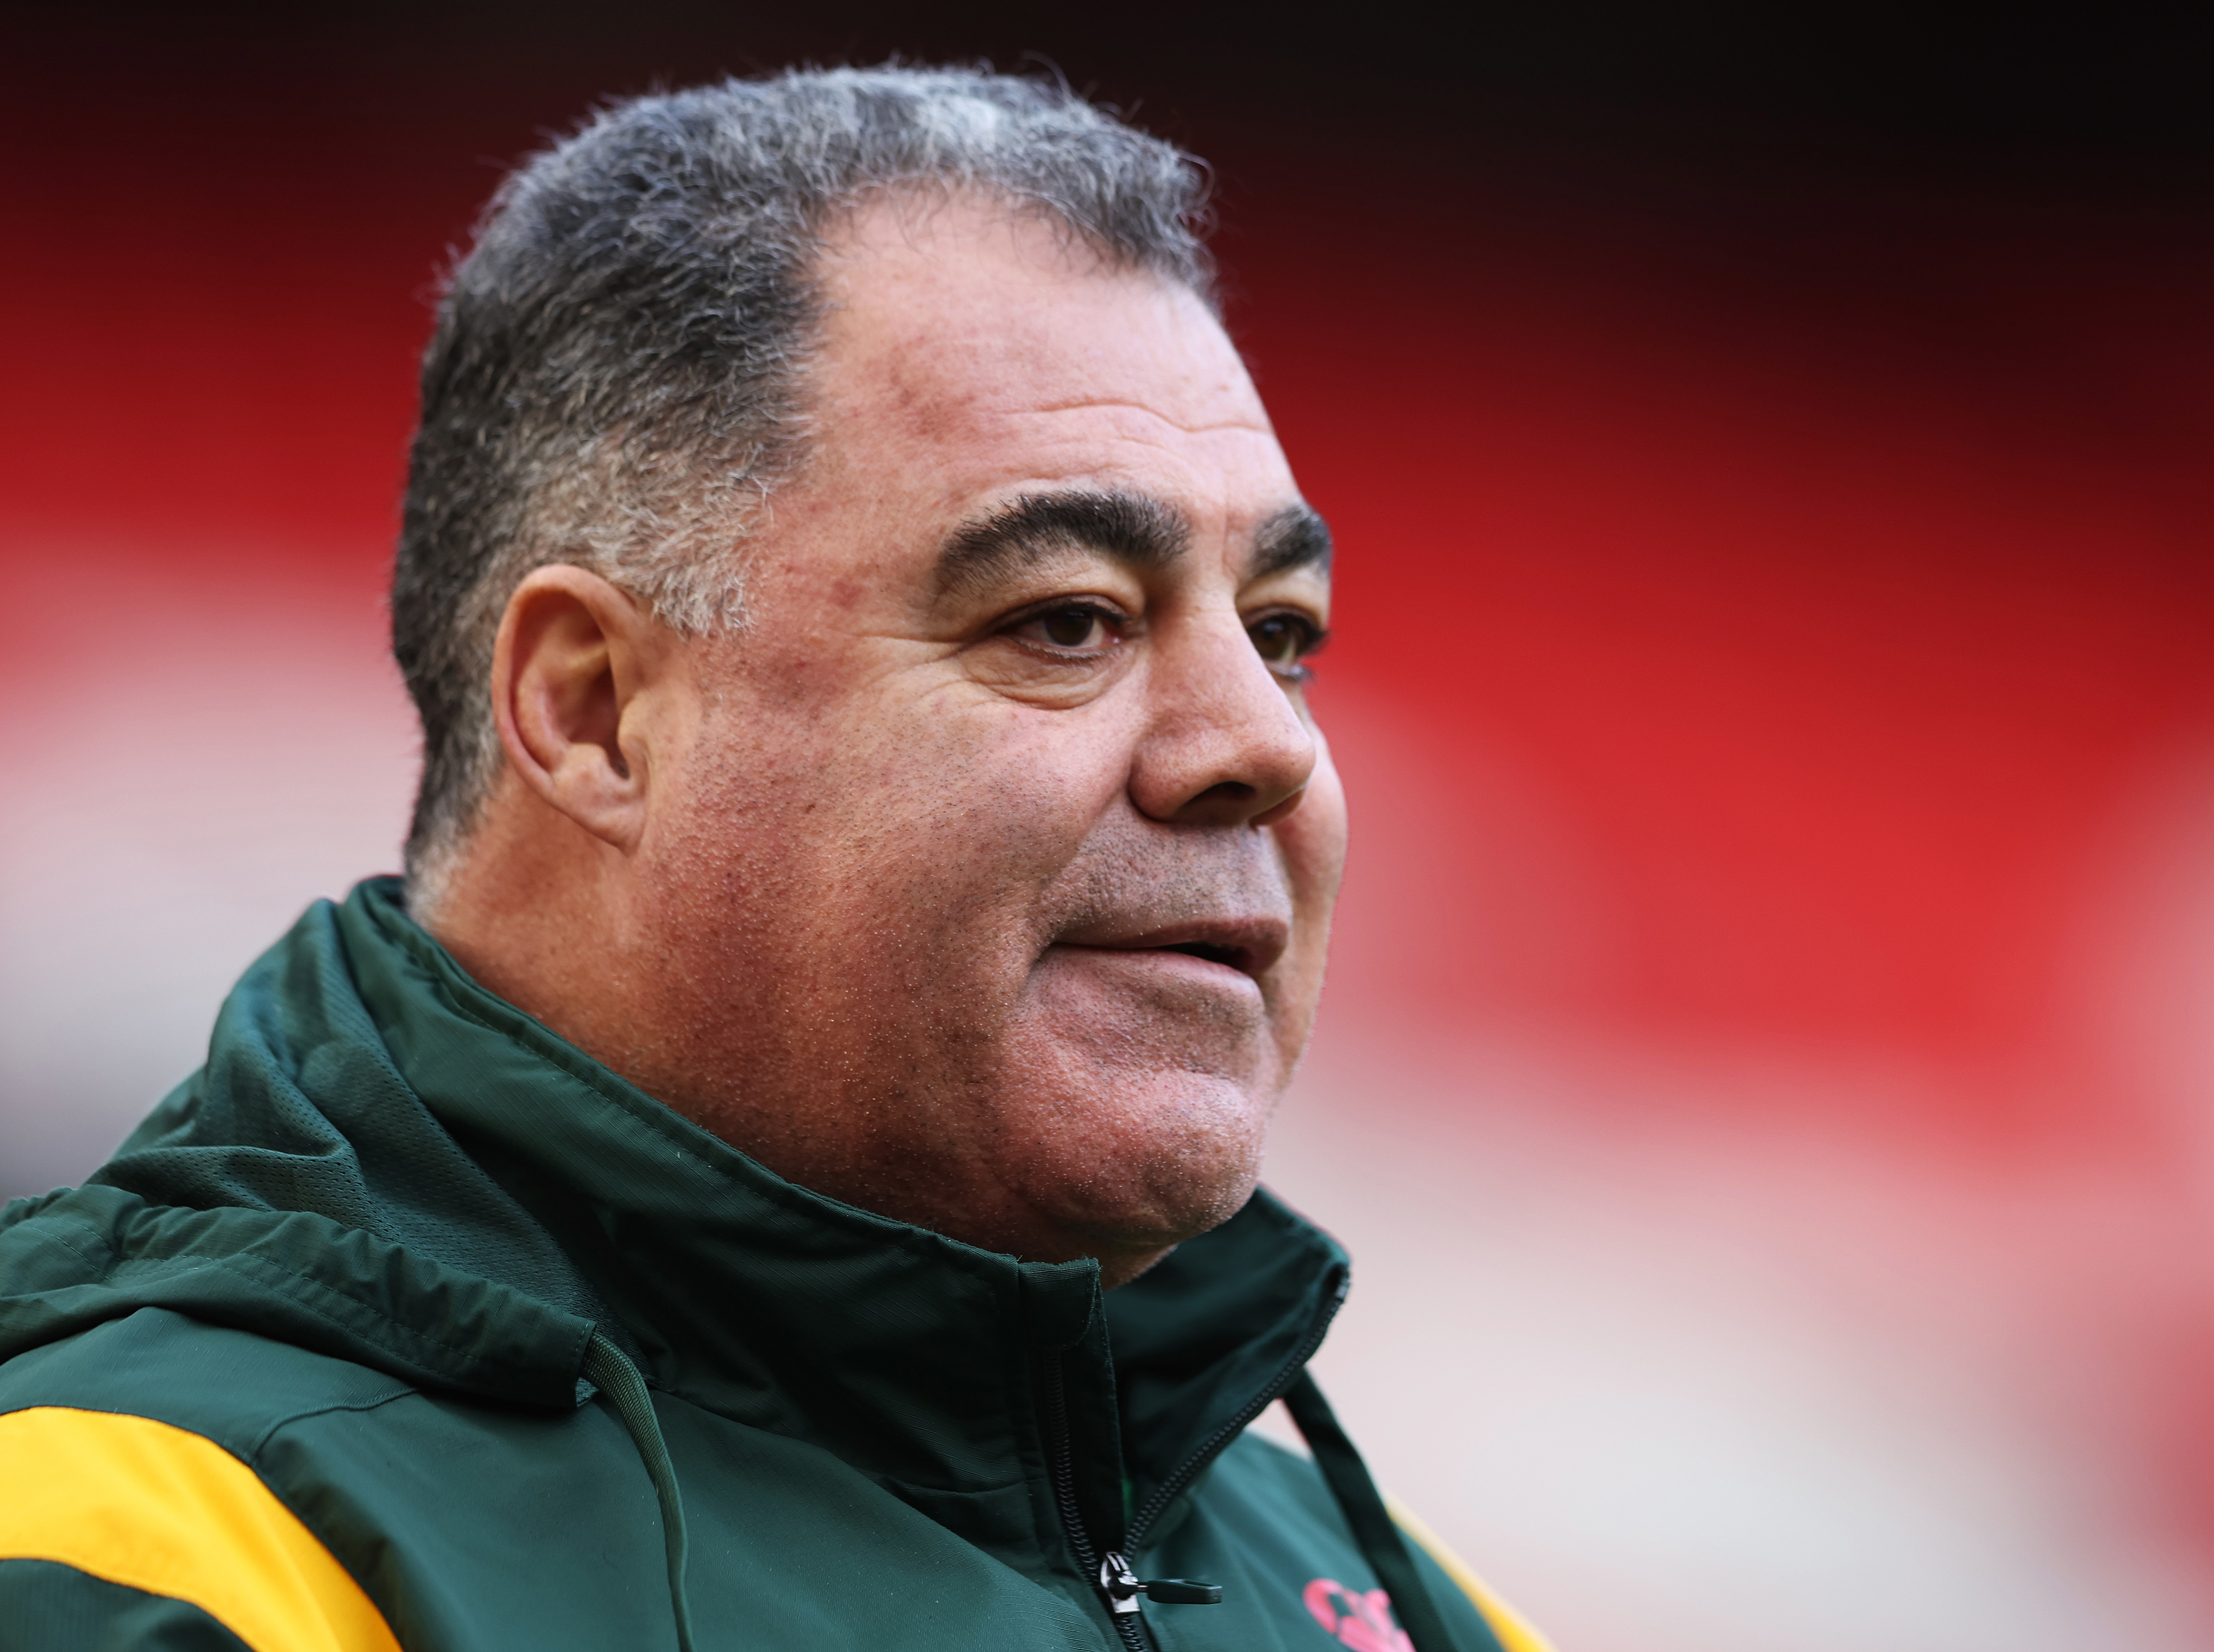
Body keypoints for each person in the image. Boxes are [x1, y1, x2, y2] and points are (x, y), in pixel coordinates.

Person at [0, 66, 1549, 1652]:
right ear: (595, 713)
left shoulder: (1418, 1615)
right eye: (1066, 621)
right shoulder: (137, 1557)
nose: (1267, 747)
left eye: (1282, 635)